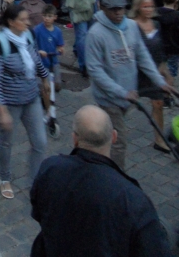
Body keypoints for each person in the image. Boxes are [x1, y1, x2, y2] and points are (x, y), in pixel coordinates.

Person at [30, 105, 172, 257]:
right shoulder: (133, 199)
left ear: (75, 139)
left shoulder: (50, 169)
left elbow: (39, 212)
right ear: (114, 137)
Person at [85, 0, 173, 170]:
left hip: (128, 96)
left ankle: (94, 156)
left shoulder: (132, 26)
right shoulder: (95, 34)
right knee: (119, 142)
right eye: (114, 9)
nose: (119, 13)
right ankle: (116, 176)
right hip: (109, 98)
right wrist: (122, 92)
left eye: (122, 8)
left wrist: (160, 82)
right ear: (104, 9)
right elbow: (95, 70)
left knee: (109, 135)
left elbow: (142, 55)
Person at [0, 4, 49, 199]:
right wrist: (1, 111)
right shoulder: (0, 43)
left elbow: (35, 59)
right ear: (11, 22)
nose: (27, 23)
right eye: (23, 20)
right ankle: (4, 178)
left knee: (40, 142)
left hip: (31, 98)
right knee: (6, 142)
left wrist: (45, 78)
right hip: (10, 102)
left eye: (27, 19)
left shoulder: (28, 35)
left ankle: (34, 181)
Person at [129, 0, 173, 152]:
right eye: (145, 6)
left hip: (154, 71)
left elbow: (160, 49)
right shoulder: (131, 25)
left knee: (158, 104)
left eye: (151, 6)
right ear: (138, 7)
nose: (148, 9)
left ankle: (159, 139)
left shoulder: (156, 24)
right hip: (135, 73)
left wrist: (164, 70)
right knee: (124, 105)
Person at [33, 4, 64, 91]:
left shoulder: (58, 31)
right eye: (45, 16)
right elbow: (32, 45)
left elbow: (60, 45)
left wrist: (61, 49)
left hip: (54, 59)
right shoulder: (37, 29)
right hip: (42, 61)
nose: (47, 18)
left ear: (55, 17)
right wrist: (39, 51)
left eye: (49, 16)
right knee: (46, 86)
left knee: (58, 84)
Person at [158, 0, 179, 81]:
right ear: (176, 0)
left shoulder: (155, 13)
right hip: (174, 49)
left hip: (159, 47)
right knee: (171, 73)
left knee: (159, 71)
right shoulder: (177, 16)